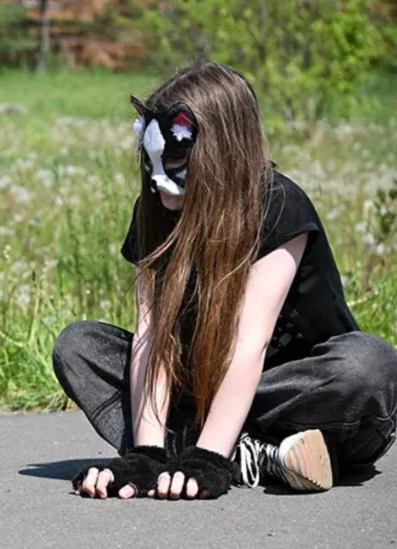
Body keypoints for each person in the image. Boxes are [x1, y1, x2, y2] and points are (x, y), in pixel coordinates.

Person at [51, 61, 397, 501]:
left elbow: (247, 345)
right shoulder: (156, 211)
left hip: (304, 399)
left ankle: (222, 451)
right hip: (207, 395)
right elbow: (151, 339)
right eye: (151, 160)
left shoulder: (277, 205)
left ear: (220, 152)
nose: (158, 178)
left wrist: (208, 457)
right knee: (79, 346)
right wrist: (146, 454)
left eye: (174, 160)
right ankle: (259, 456)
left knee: (369, 363)